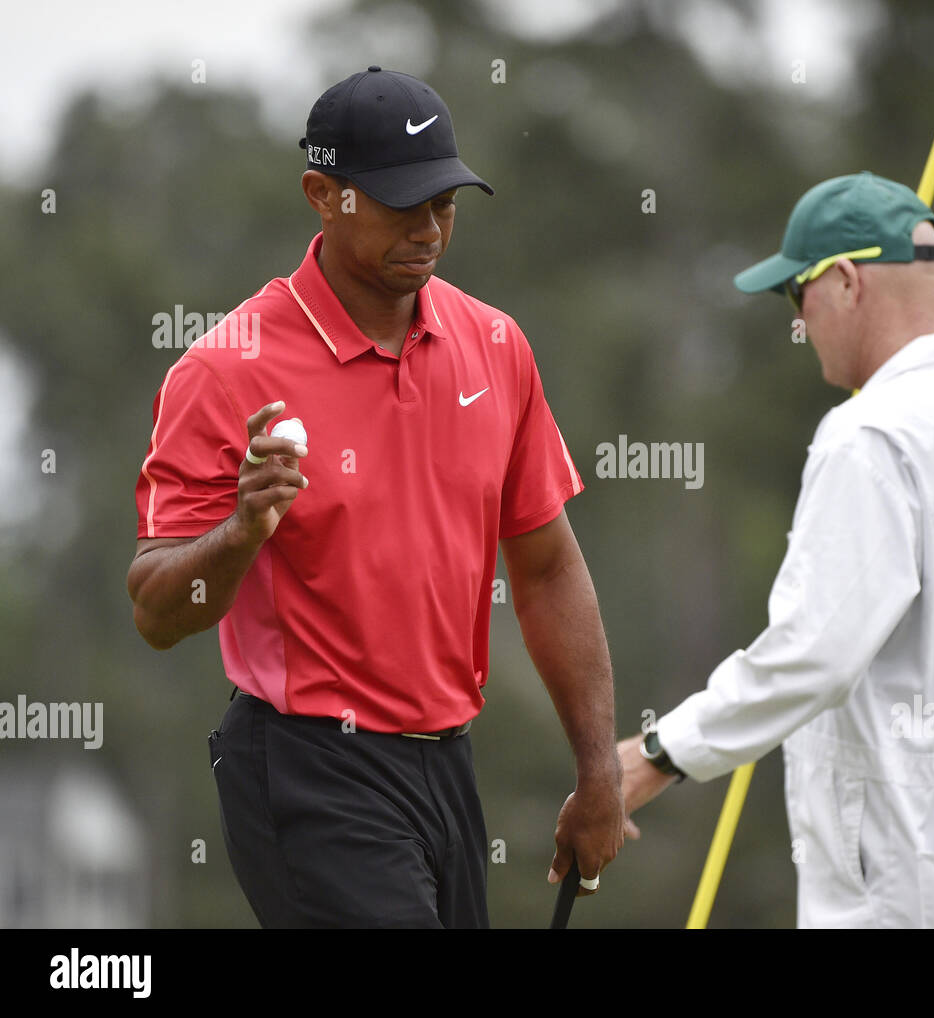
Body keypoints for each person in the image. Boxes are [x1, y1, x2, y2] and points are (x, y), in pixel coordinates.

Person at [126, 67, 624, 928]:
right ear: (324, 195)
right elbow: (158, 612)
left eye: (446, 203)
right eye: (402, 204)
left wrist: (598, 772)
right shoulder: (223, 369)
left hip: (446, 765)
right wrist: (243, 529)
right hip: (307, 766)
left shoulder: (495, 344)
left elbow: (545, 571)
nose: (429, 229)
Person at [618, 171, 934, 928]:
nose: (799, 320)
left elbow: (815, 653)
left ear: (844, 282)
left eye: (794, 294)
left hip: (893, 877)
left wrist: (659, 752)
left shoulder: (869, 434)